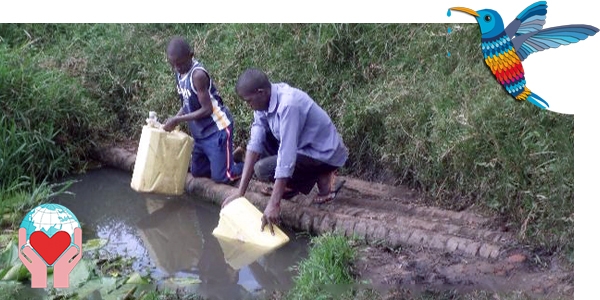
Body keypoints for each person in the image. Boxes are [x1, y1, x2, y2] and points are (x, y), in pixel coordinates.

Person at [222, 68, 348, 234]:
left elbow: (287, 155)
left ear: (261, 92)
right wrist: (240, 192)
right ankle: (293, 183)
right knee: (263, 140)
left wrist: (274, 203)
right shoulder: (263, 104)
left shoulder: (288, 104)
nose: (249, 106)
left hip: (324, 153)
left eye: (249, 101)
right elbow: (256, 142)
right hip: (302, 146)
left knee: (262, 169)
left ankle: (324, 173)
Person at [162, 36, 243, 185]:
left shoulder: (197, 75)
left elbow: (207, 109)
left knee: (223, 177)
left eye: (179, 64)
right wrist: (174, 118)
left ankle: (247, 165)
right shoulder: (179, 73)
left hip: (217, 129)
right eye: (172, 64)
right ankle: (229, 158)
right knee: (197, 172)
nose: (176, 68)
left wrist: (177, 120)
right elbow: (187, 103)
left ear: (191, 56)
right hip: (201, 133)